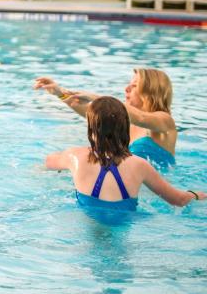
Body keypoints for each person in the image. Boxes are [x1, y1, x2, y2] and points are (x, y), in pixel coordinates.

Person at [44, 97, 204, 211]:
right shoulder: (140, 165)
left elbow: (49, 161)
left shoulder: (75, 157)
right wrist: (197, 195)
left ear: (91, 128)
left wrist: (62, 159)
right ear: (124, 127)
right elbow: (179, 200)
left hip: (87, 220)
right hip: (125, 224)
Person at [35, 69, 178, 169]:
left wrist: (97, 98)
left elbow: (141, 117)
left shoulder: (165, 121)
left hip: (158, 192)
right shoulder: (126, 122)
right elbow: (91, 113)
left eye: (134, 86)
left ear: (151, 92)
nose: (126, 88)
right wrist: (60, 93)